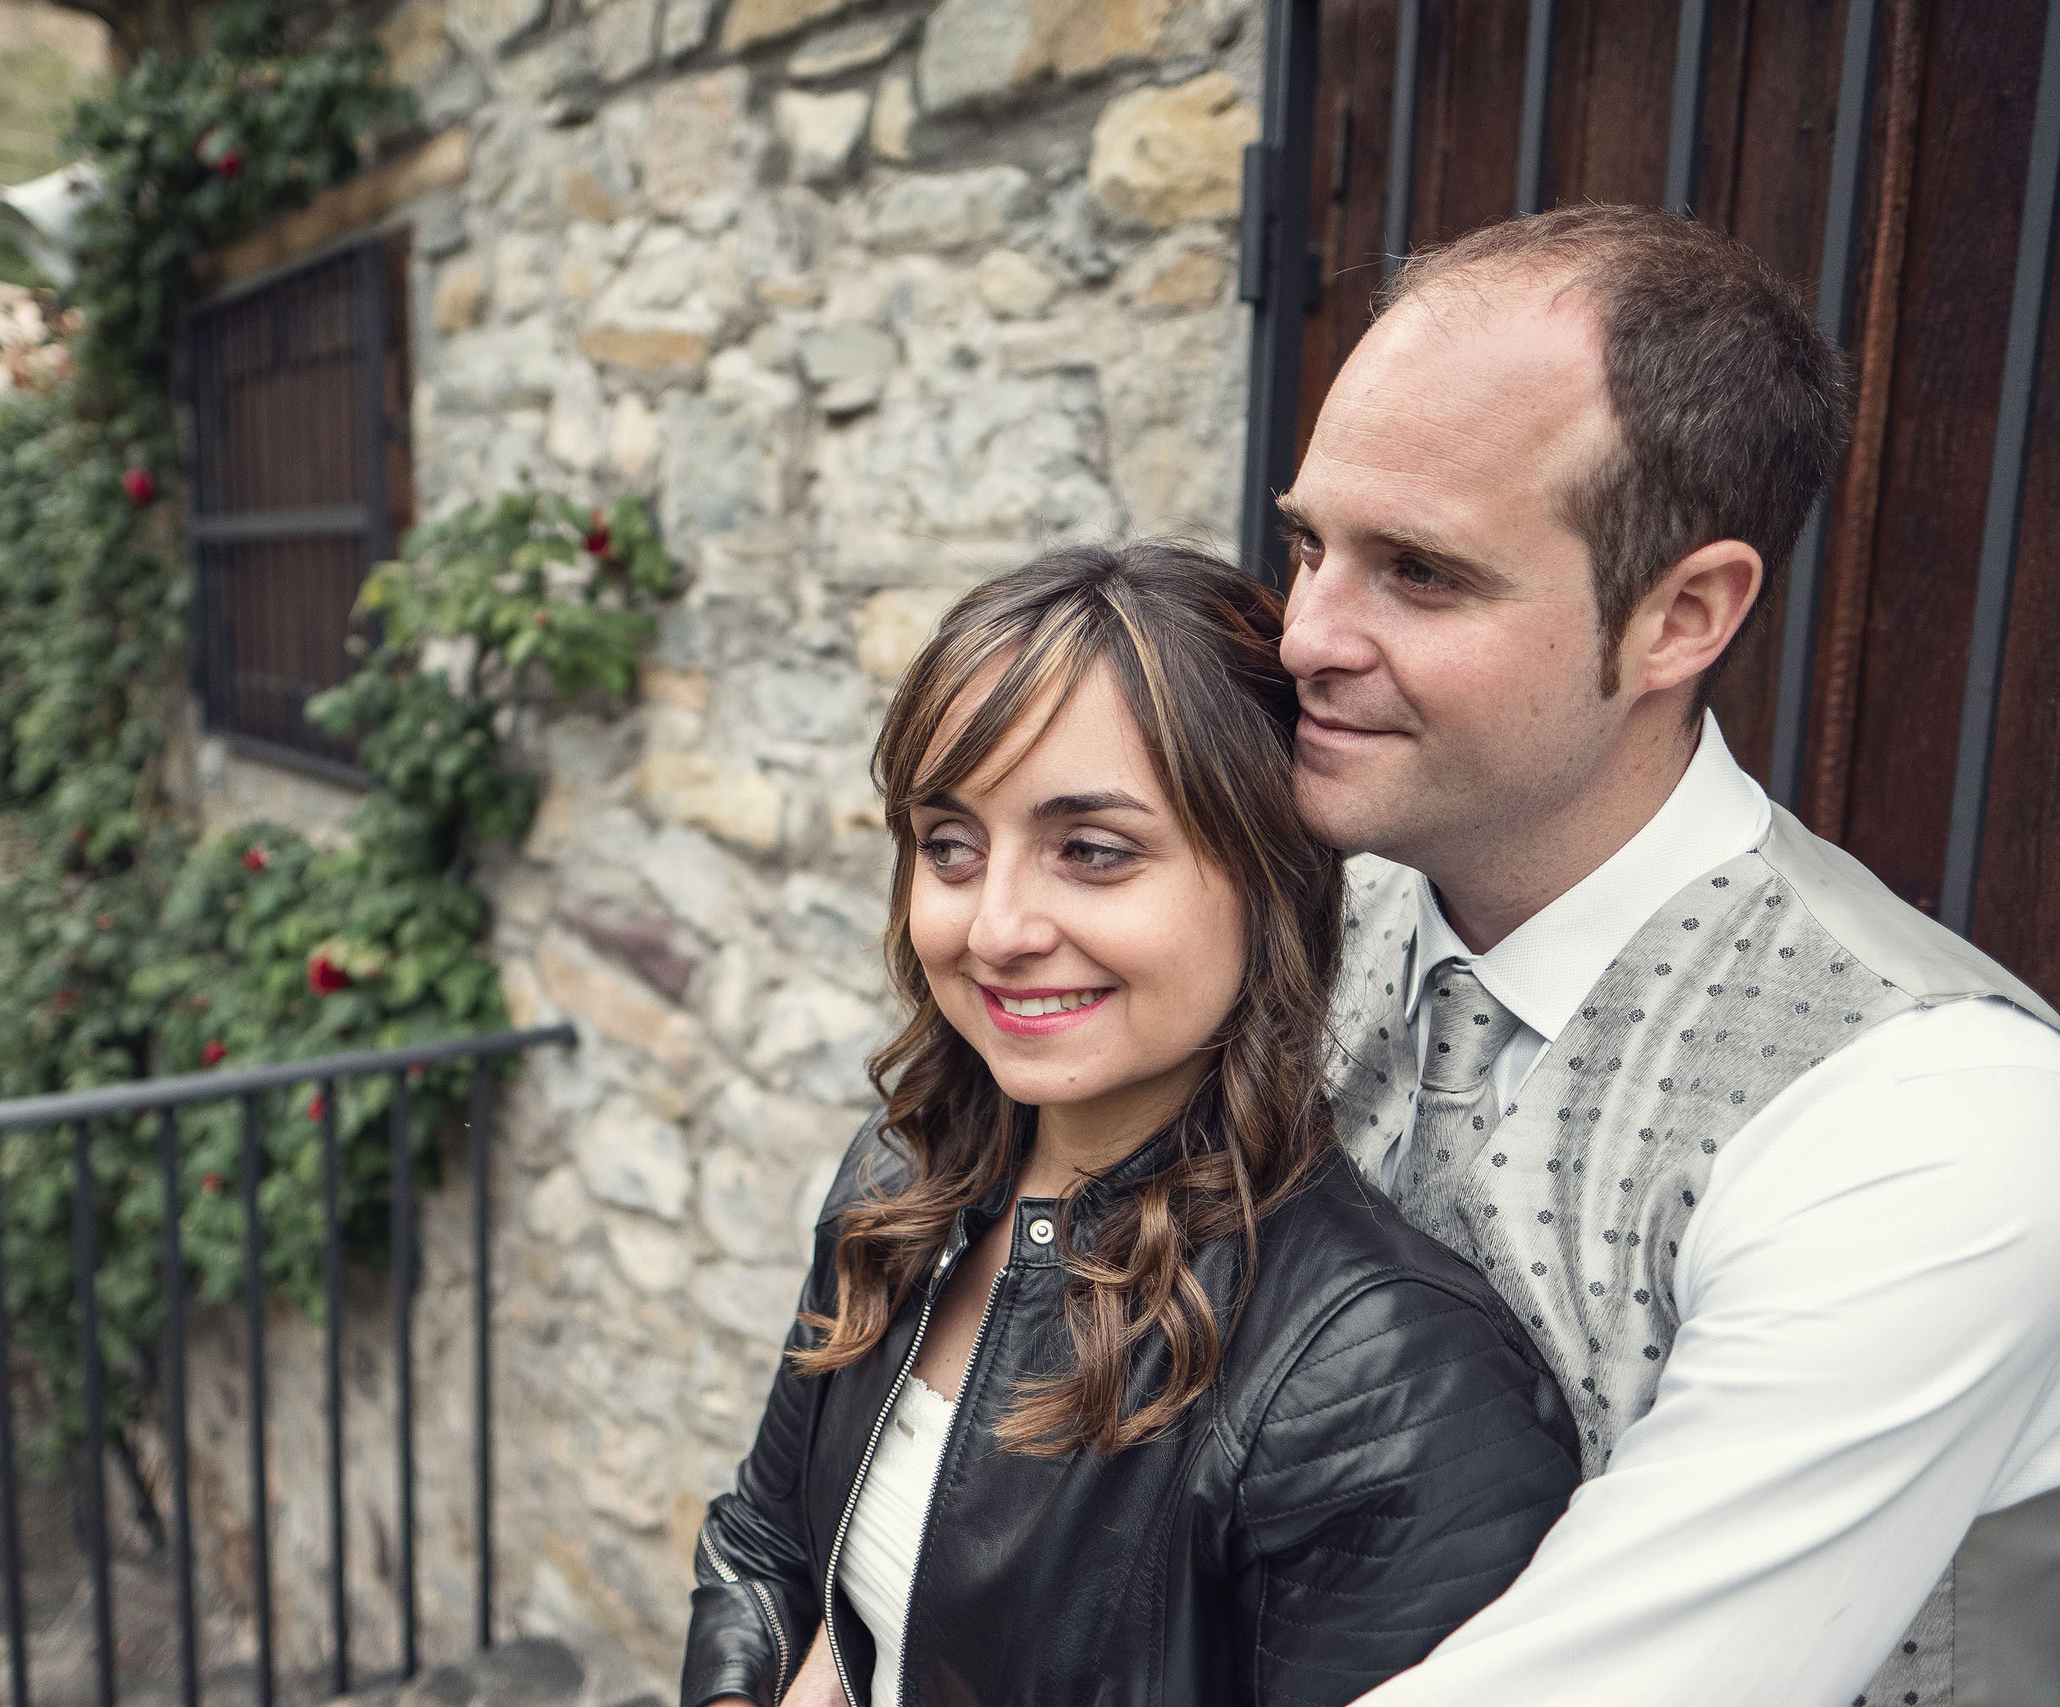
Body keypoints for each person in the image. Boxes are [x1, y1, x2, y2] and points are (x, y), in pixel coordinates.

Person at [1281, 204, 2060, 1706]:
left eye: (1420, 572)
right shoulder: (1282, 927)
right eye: (1307, 543)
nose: (1309, 629)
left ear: (1681, 615)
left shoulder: (1938, 1118)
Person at [682, 542, 1580, 1707]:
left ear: (1272, 877)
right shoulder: (904, 1179)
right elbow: (762, 1546)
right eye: (950, 845)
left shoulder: (1383, 1384)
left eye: (1092, 852)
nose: (994, 925)